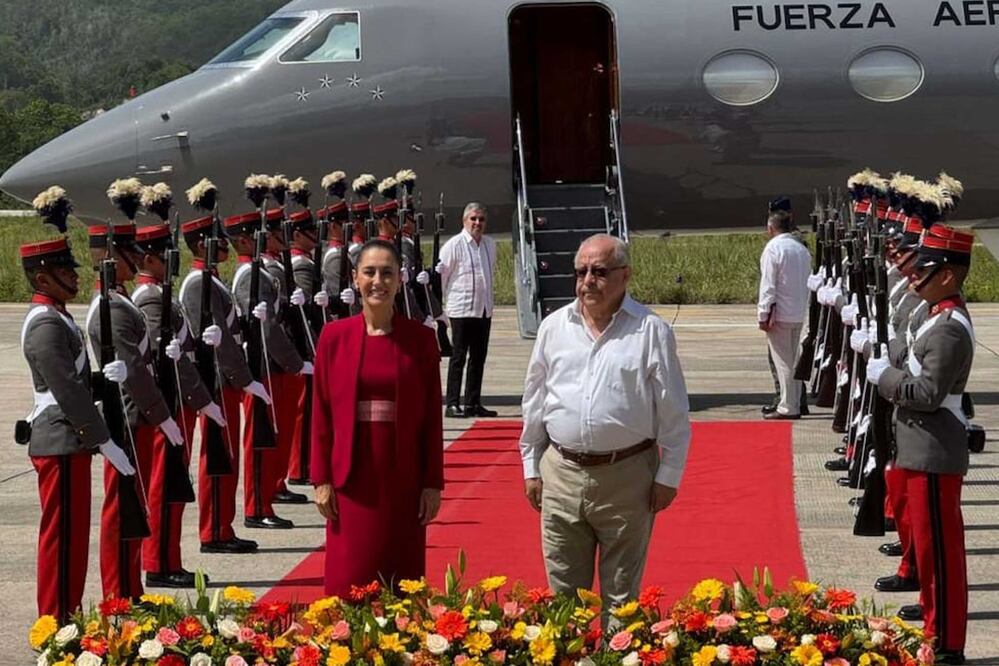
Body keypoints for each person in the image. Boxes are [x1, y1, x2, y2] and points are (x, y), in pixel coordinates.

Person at [519, 233, 691, 613]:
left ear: (625, 275)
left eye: (599, 271)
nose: (587, 281)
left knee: (621, 597)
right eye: (580, 272)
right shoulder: (553, 327)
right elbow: (535, 401)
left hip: (627, 477)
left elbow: (674, 411)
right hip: (561, 473)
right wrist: (531, 465)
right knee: (563, 595)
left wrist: (668, 477)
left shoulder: (651, 331)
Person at [311, 239, 444, 597]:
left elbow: (432, 417)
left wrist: (433, 482)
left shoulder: (421, 341)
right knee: (348, 580)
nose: (377, 281)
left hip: (402, 481)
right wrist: (320, 478)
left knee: (400, 582)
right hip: (351, 482)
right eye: (369, 272)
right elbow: (320, 414)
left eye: (387, 273)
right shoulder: (333, 337)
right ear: (355, 278)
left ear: (400, 280)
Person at [867, 223, 975, 665]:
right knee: (929, 552)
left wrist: (886, 379)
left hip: (934, 449)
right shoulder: (935, 316)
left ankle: (948, 641)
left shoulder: (948, 327)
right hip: (919, 446)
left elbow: (927, 393)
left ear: (947, 275)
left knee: (942, 554)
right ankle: (935, 623)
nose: (914, 276)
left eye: (925, 271)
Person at [19, 237, 134, 621]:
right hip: (61, 439)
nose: (73, 276)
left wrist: (105, 380)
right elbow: (65, 389)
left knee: (73, 536)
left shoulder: (59, 316)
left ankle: (67, 612)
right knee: (62, 537)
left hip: (70, 438)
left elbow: (76, 381)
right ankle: (56, 619)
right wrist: (103, 439)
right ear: (42, 277)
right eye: (64, 271)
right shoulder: (45, 324)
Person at [132, 223, 224, 587]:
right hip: (169, 404)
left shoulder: (161, 294)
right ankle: (158, 561)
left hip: (179, 403)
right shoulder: (151, 298)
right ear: (150, 258)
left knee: (173, 485)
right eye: (166, 254)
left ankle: (169, 558)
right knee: (163, 484)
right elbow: (168, 358)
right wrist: (202, 398)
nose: (176, 259)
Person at [179, 214, 263, 554]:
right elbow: (217, 338)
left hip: (224, 378)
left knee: (225, 456)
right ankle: (214, 530)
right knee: (217, 456)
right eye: (218, 239)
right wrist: (244, 378)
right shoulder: (199, 283)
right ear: (203, 244)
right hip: (216, 378)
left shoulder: (211, 280)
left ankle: (222, 525)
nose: (226, 244)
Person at [227, 211, 311, 529]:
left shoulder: (262, 271)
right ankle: (256, 506)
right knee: (262, 439)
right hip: (263, 364)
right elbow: (265, 328)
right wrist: (295, 361)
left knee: (278, 433)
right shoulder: (250, 274)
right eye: (275, 231)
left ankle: (271, 490)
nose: (282, 236)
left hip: (275, 363)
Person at [437, 202, 498, 418]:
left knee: (478, 358)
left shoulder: (490, 244)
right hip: (461, 309)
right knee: (458, 357)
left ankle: (473, 402)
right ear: (464, 221)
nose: (477, 223)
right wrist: (440, 309)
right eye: (473, 219)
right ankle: (452, 403)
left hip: (483, 309)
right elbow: (442, 277)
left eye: (481, 219)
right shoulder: (454, 245)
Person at [757, 210, 811, 420]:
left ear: (771, 228)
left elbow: (768, 285)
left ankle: (788, 406)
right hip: (799, 312)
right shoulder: (801, 249)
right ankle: (796, 402)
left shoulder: (773, 249)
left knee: (783, 363)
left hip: (780, 314)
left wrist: (763, 313)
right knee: (794, 362)